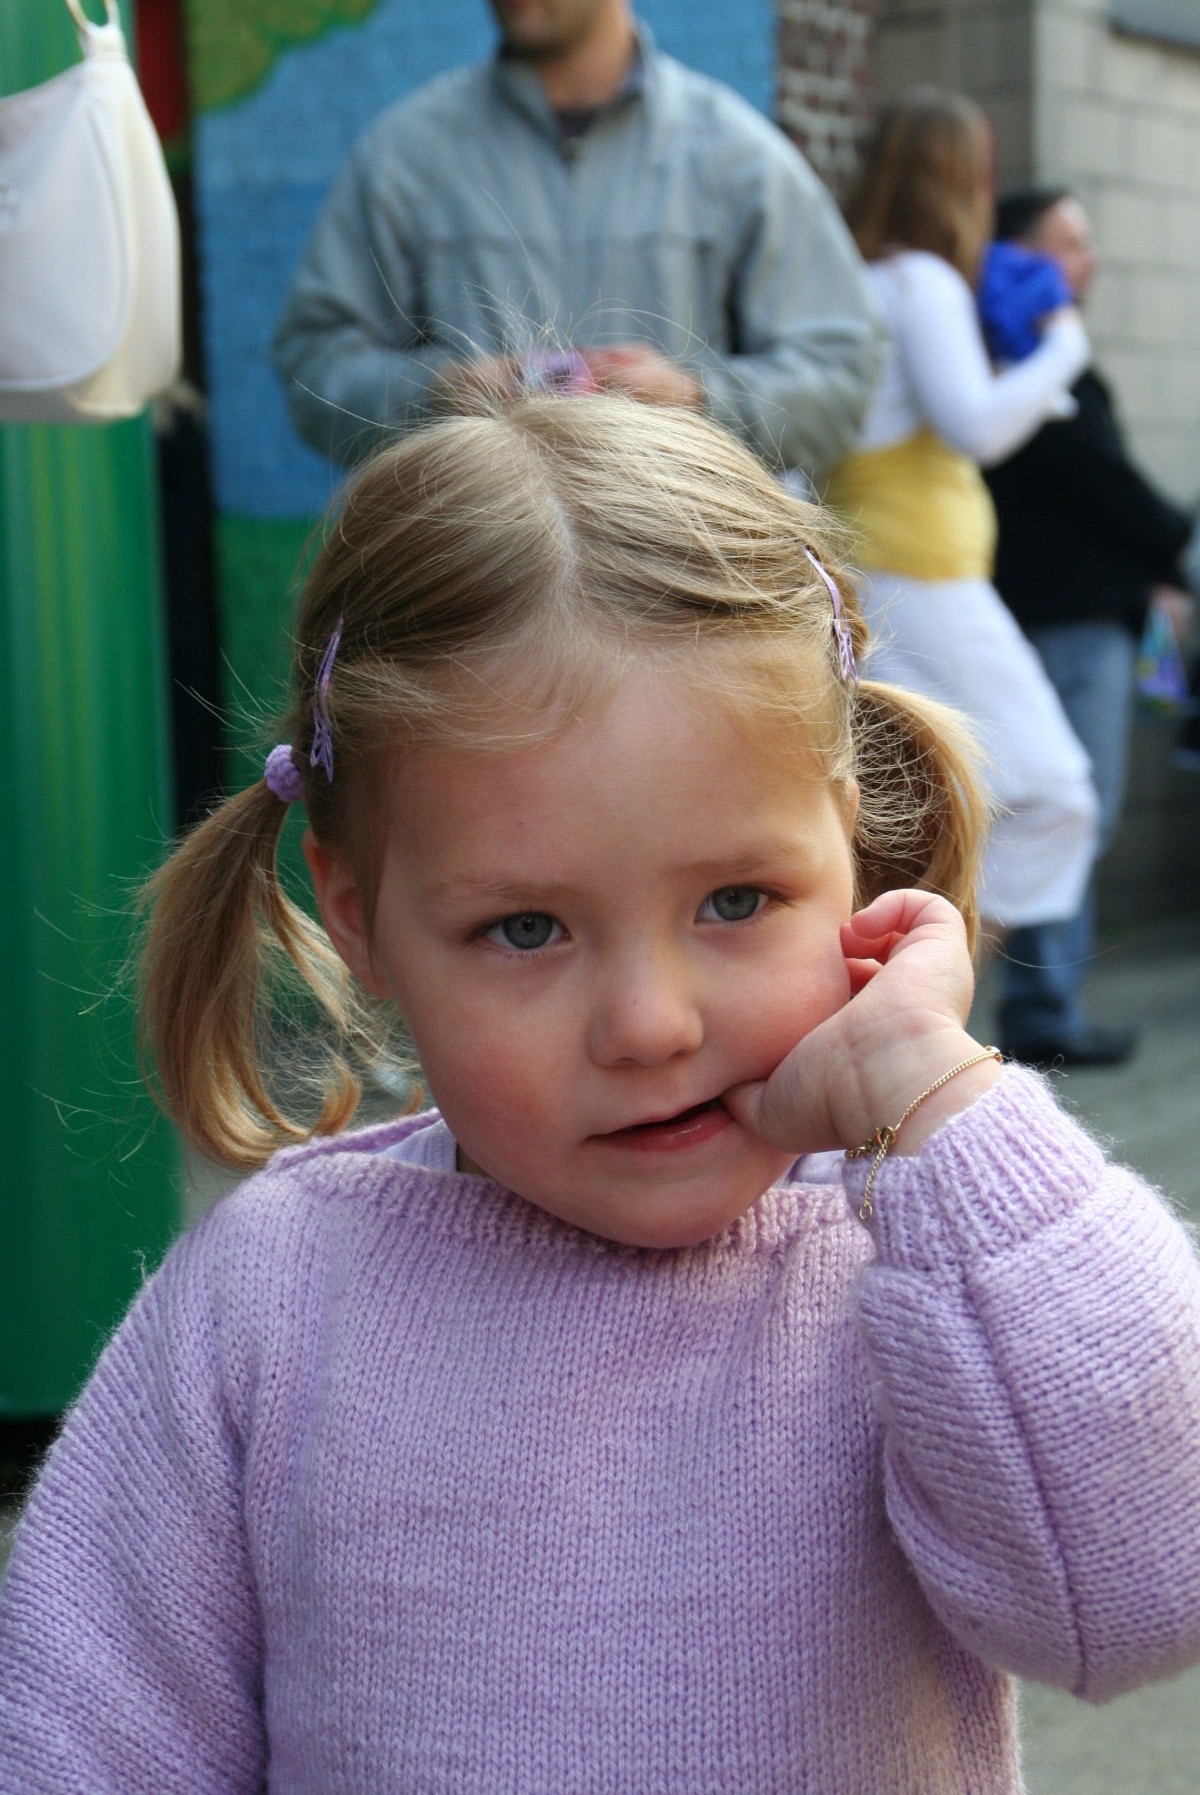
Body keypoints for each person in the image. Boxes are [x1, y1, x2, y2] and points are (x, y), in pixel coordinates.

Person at [4, 396, 1200, 1793]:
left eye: (737, 900)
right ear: (360, 919)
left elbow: (1148, 1588)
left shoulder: (925, 1272)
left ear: (852, 849)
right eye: (525, 928)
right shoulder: (267, 1300)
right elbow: (79, 1746)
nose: (648, 1025)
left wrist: (938, 1107)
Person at [272, 0, 880, 478]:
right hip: (478, 576)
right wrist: (436, 395)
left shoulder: (739, 160)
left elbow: (844, 370)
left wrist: (697, 401)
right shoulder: (405, 157)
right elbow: (313, 363)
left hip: (680, 579)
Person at [824, 88, 1099, 941]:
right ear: (959, 179)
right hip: (921, 570)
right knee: (1051, 788)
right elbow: (974, 424)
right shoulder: (924, 281)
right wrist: (1065, 348)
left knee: (919, 794)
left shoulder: (858, 278)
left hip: (880, 566)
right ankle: (937, 972)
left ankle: (911, 963)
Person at [984, 186, 1197, 1066]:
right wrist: (1173, 541)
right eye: (1069, 243)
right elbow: (1098, 479)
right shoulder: (1032, 356)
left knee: (1060, 808)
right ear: (1020, 257)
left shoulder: (1019, 352)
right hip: (1064, 622)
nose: (1090, 260)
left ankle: (1045, 1003)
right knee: (1074, 807)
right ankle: (1039, 1008)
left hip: (1057, 614)